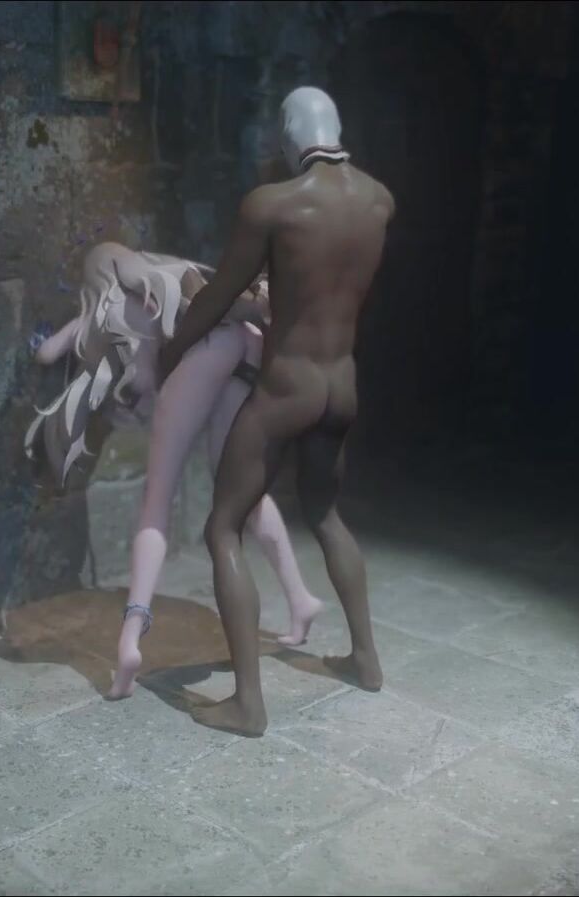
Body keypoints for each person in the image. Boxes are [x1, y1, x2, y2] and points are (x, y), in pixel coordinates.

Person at [158, 86, 393, 736]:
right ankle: (366, 661)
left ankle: (248, 703)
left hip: (288, 387)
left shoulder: (274, 205)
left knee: (223, 527)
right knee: (324, 514)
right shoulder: (380, 201)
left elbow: (217, 297)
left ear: (288, 138)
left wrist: (170, 352)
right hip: (341, 385)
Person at [28, 242, 324, 700]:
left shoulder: (107, 309)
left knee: (157, 501)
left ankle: (130, 639)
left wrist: (45, 334)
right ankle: (300, 599)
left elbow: (47, 352)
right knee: (239, 488)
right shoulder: (173, 277)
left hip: (208, 355)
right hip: (246, 346)